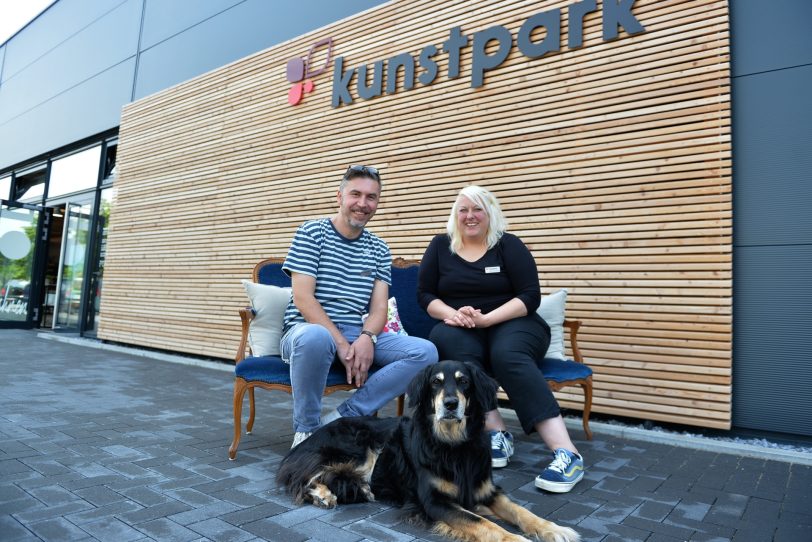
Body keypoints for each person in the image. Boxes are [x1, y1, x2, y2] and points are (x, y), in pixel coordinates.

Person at [417, 185, 584, 493]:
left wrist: (488, 319)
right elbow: (425, 294)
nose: (470, 216)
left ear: (490, 212)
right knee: (455, 350)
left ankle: (567, 453)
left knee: (507, 354)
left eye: (477, 209)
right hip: (461, 323)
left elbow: (530, 295)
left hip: (515, 321)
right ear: (455, 214)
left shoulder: (508, 245)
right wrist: (452, 315)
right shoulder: (441, 246)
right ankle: (497, 433)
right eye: (463, 209)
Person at [280, 165, 438, 448]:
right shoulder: (311, 232)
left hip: (355, 331)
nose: (363, 204)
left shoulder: (379, 248)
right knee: (315, 336)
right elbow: (304, 299)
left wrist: (368, 338)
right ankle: (306, 431)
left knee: (425, 352)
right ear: (339, 197)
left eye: (371, 197)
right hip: (306, 331)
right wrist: (340, 342)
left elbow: (378, 309)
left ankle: (343, 418)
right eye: (356, 194)